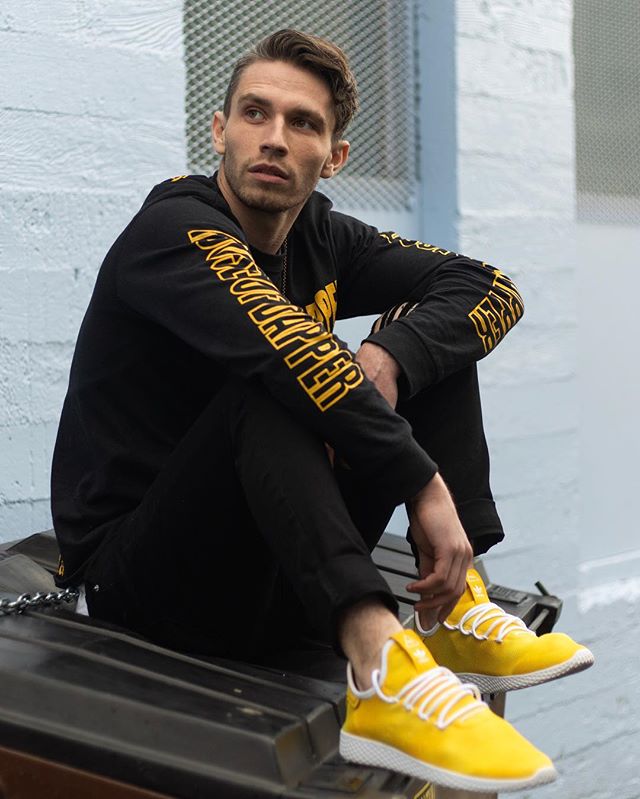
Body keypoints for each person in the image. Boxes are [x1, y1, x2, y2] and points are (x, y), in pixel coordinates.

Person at [51, 29, 593, 793]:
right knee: (276, 385)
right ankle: (381, 669)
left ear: (333, 155)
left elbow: (489, 287)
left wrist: (395, 356)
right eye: (254, 113)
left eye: (302, 123)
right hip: (141, 584)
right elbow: (290, 359)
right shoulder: (173, 229)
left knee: (424, 344)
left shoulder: (323, 235)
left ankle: (455, 613)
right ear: (219, 129)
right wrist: (424, 483)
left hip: (276, 572)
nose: (273, 138)